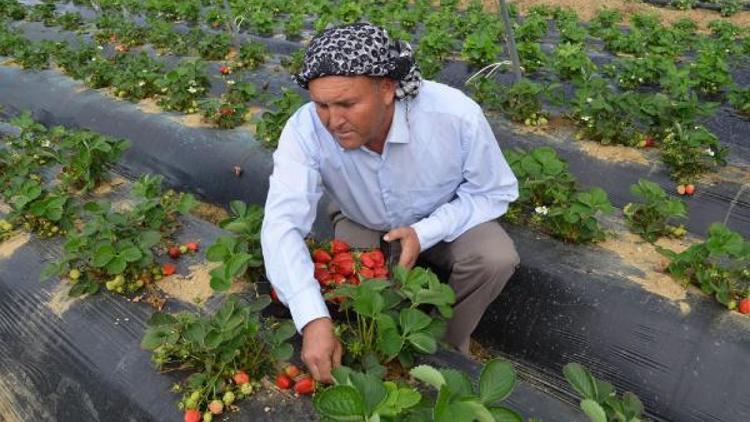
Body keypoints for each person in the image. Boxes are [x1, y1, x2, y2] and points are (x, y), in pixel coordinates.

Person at [260, 23, 520, 383]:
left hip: (443, 218)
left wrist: (425, 231)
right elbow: (281, 224)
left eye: (348, 104)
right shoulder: (305, 130)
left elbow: (493, 192)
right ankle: (374, 350)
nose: (333, 121)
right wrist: (312, 318)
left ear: (387, 89)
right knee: (351, 284)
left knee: (495, 257)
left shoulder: (454, 117)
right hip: (363, 218)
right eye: (321, 104)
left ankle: (444, 349)